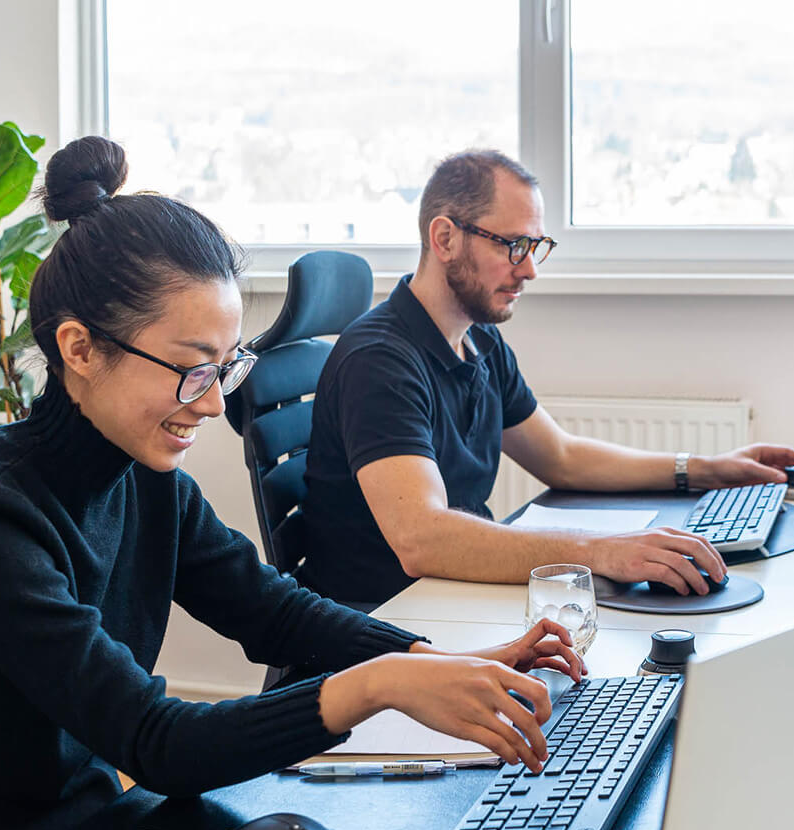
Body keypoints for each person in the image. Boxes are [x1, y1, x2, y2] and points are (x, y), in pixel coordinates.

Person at [0, 137, 584, 830]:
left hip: (78, 827)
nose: (215, 403)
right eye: (192, 368)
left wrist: (436, 658)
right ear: (79, 348)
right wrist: (377, 685)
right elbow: (156, 742)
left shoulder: (142, 476)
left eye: (227, 366)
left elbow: (273, 611)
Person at [302, 149, 794, 608]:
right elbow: (421, 539)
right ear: (445, 239)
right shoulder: (380, 360)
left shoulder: (479, 341)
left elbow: (560, 457)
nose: (531, 270)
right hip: (390, 622)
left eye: (536, 246)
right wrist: (599, 552)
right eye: (514, 246)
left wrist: (706, 470)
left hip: (448, 597)